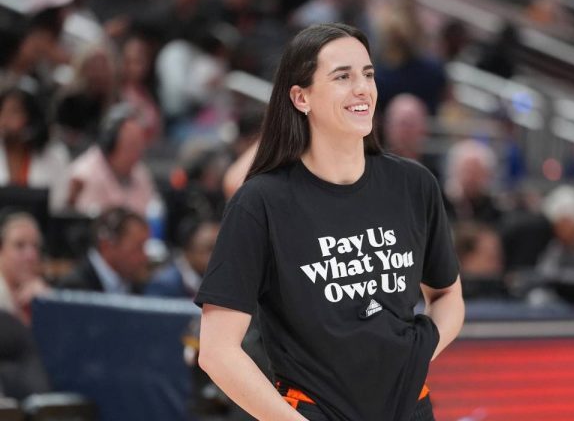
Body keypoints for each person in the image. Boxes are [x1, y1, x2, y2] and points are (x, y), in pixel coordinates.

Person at [195, 23, 464, 421]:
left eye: (368, 74)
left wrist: (417, 351)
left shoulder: (414, 184)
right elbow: (217, 351)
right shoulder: (260, 202)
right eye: (342, 76)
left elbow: (447, 296)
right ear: (301, 97)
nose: (362, 88)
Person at [57, 207, 150, 294]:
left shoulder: (136, 284)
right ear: (107, 245)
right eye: (138, 248)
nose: (144, 257)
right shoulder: (73, 290)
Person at [145, 217, 219, 298]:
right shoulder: (163, 284)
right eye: (210, 248)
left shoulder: (222, 279)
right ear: (188, 250)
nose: (219, 256)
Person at [0, 211, 49, 325]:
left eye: (35, 246)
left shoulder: (40, 292)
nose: (30, 255)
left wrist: (47, 305)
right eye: (19, 245)